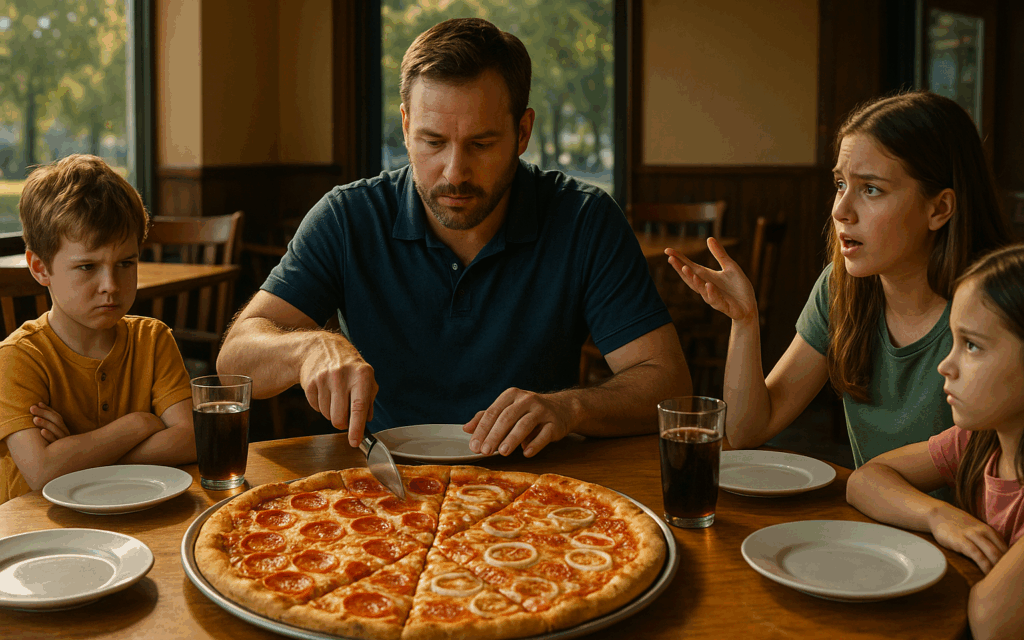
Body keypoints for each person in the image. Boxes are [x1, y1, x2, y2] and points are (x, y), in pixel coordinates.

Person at [217, 18, 689, 456]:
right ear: (405, 127)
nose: (454, 172)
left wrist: (571, 408)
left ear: (522, 132)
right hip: (380, 492)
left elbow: (668, 383)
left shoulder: (585, 219)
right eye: (432, 142)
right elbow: (234, 361)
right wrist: (307, 347)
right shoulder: (347, 217)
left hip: (538, 487)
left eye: (481, 144)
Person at [666, 91, 1013, 467]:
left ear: (940, 208)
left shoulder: (997, 306)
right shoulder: (842, 287)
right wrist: (744, 321)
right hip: (874, 518)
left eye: (871, 189)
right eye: (840, 185)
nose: (841, 211)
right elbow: (747, 431)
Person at [846, 244, 1024, 640]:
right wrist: (939, 515)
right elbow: (865, 480)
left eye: (972, 346)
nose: (946, 365)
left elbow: (989, 625)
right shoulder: (978, 443)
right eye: (953, 340)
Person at [0, 154, 196, 504]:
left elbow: (192, 438)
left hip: (135, 517)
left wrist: (77, 454)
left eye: (125, 263)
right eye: (88, 267)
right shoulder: (18, 357)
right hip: (37, 533)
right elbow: (42, 472)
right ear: (41, 268)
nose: (111, 284)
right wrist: (138, 424)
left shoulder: (153, 339)